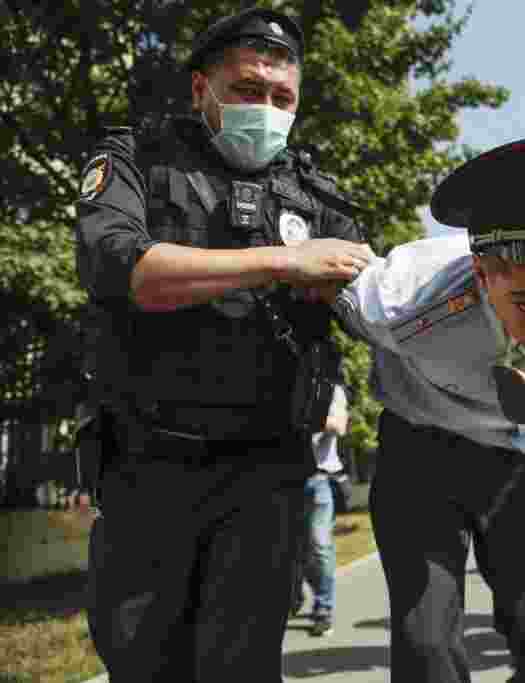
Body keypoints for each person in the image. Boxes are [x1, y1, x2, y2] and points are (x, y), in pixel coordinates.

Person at [74, 8, 373, 681]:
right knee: (145, 664)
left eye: (282, 97)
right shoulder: (134, 161)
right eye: (246, 90)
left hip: (266, 474)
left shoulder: (314, 194)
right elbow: (123, 270)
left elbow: (378, 299)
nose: (265, 108)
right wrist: (283, 261)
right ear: (200, 89)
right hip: (149, 468)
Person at [325, 135, 525, 682]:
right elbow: (331, 291)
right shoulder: (398, 302)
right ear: (484, 272)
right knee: (427, 648)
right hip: (421, 454)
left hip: (523, 458)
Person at [291, 384, 350, 637]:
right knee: (294, 548)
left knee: (319, 543)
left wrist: (299, 415)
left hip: (319, 479)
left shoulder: (330, 388)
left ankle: (324, 608)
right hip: (285, 481)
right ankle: (295, 593)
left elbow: (338, 425)